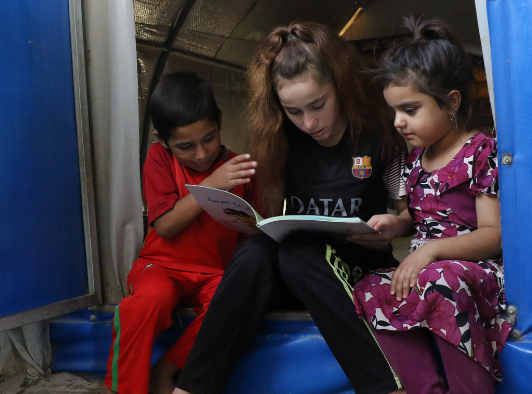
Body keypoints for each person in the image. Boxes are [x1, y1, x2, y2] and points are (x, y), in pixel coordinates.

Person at [173, 21, 408, 394]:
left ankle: (385, 387)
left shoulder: (380, 136)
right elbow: (273, 214)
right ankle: (190, 389)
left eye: (318, 105)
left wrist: (395, 227)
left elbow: (408, 212)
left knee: (299, 255)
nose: (310, 123)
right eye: (294, 111)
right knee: (256, 253)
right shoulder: (279, 139)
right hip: (296, 268)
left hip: (357, 266)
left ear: (340, 86)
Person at [352, 16, 512, 394]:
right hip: (428, 269)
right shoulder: (416, 159)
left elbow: (493, 235)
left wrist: (432, 253)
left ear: (451, 102)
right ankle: (424, 387)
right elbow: (421, 215)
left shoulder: (480, 152)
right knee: (371, 287)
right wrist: (397, 224)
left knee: (441, 281)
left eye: (410, 109)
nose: (398, 122)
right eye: (394, 112)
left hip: (472, 271)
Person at [102, 72, 258, 394]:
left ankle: (166, 371)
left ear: (220, 122)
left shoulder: (238, 168)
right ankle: (125, 388)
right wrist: (212, 184)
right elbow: (166, 226)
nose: (201, 154)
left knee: (232, 305)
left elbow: (250, 235)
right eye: (185, 146)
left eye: (209, 138)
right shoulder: (159, 159)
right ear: (163, 139)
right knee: (147, 303)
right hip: (160, 267)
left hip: (216, 273)